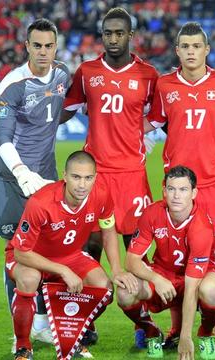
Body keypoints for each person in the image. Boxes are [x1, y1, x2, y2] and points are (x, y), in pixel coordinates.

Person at [148, 21, 215, 350]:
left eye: (197, 46)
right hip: (178, 188)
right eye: (186, 46)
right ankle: (175, 329)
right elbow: (149, 125)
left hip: (214, 187)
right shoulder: (165, 86)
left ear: (206, 50)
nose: (191, 51)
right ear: (178, 50)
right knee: (175, 256)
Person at [62, 8, 158, 346]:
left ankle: (142, 324)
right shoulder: (86, 72)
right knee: (88, 247)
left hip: (132, 175)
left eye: (119, 33)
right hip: (95, 175)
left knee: (136, 250)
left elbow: (160, 118)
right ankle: (84, 322)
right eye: (107, 33)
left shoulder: (148, 74)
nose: (113, 39)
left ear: (131, 35)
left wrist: (136, 138)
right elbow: (64, 113)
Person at [0, 18, 71, 351]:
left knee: (47, 250)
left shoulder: (63, 74)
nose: (43, 51)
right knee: (17, 254)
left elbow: (66, 108)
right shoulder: (13, 83)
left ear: (56, 46)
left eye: (49, 45)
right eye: (36, 45)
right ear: (26, 46)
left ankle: (40, 323)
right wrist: (22, 172)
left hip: (47, 174)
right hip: (13, 177)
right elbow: (1, 137)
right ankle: (19, 332)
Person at [6, 151, 137, 360]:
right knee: (29, 278)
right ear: (64, 176)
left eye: (88, 178)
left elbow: (109, 230)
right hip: (31, 256)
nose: (82, 185)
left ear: (95, 177)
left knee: (104, 289)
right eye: (76, 177)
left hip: (70, 255)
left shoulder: (101, 195)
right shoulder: (41, 203)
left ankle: (72, 336)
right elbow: (22, 253)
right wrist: (63, 270)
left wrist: (117, 269)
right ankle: (23, 346)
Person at [117, 165, 215, 360]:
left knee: (212, 290)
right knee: (125, 292)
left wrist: (186, 336)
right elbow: (131, 260)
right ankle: (151, 332)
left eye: (183, 189)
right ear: (164, 190)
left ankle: (206, 334)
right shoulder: (152, 213)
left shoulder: (201, 227)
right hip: (163, 273)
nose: (176, 195)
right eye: (172, 189)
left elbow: (191, 287)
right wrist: (156, 279)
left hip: (197, 277)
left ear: (194, 193)